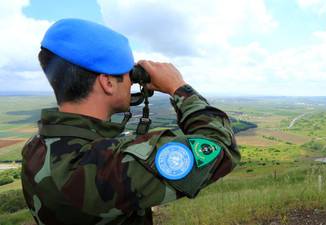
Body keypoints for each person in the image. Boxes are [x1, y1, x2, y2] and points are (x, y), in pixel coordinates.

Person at [20, 18, 240, 225]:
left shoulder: (35, 147)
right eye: (128, 75)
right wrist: (178, 88)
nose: (131, 83)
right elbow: (221, 146)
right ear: (107, 82)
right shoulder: (106, 168)